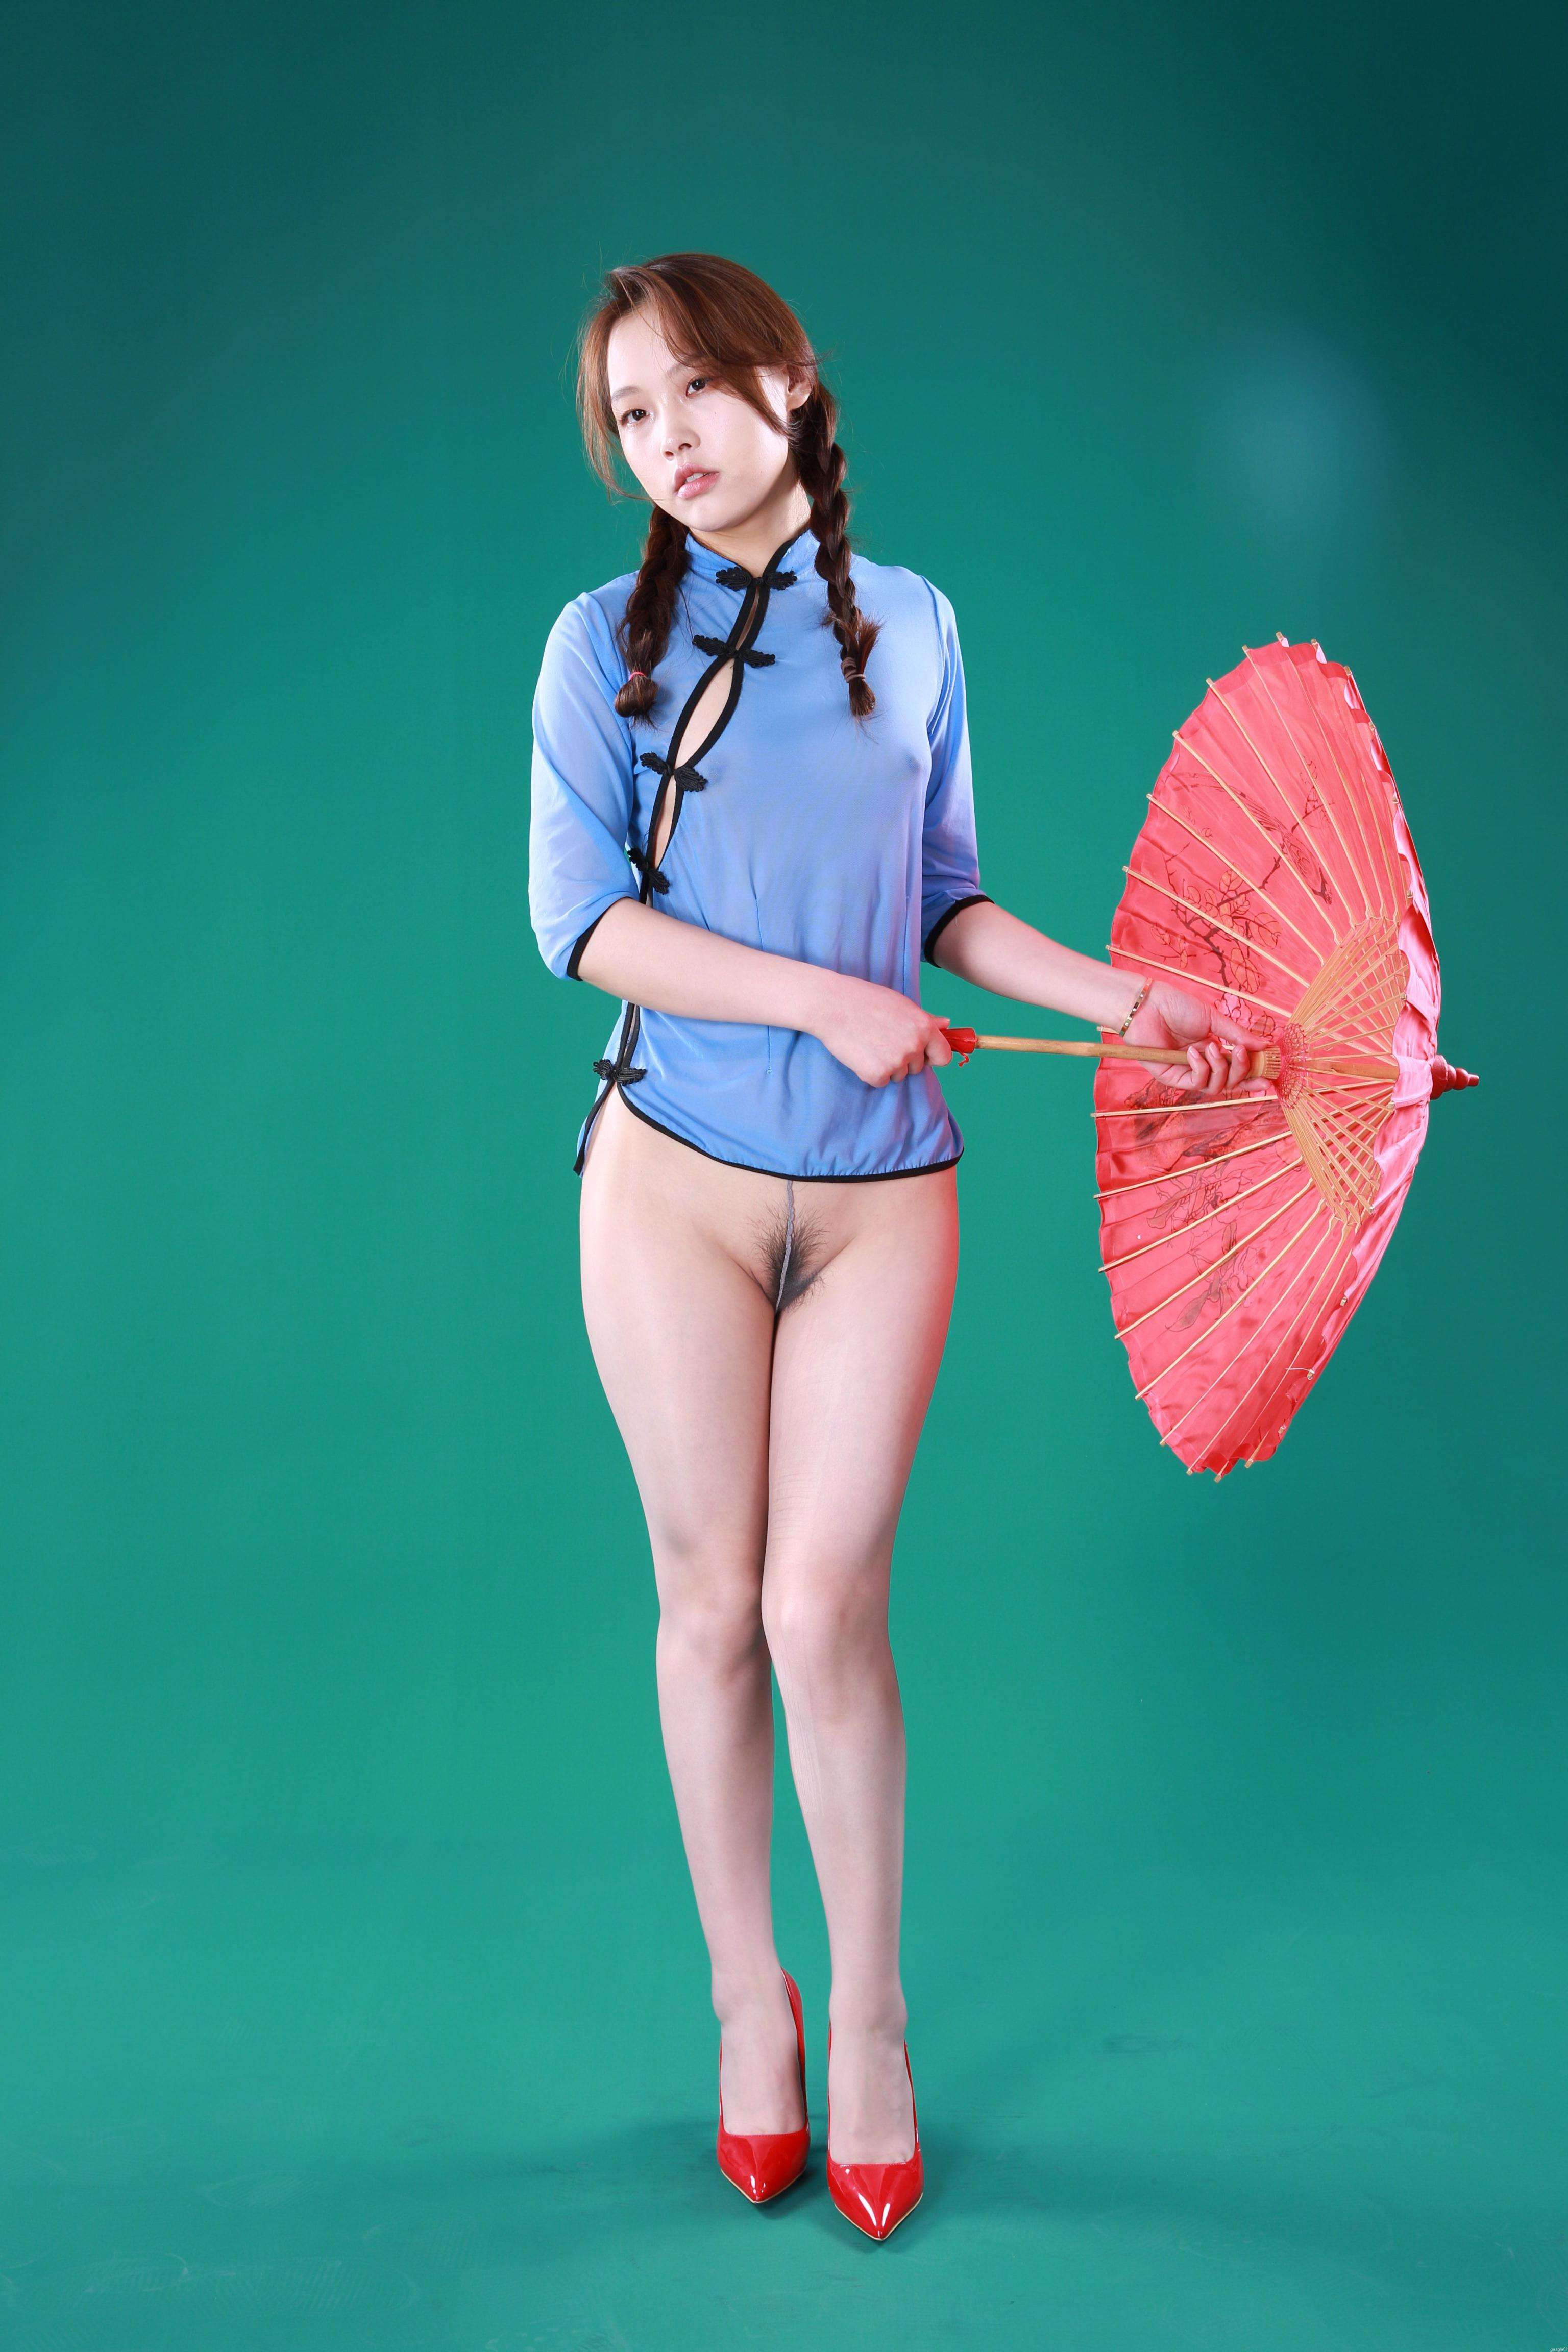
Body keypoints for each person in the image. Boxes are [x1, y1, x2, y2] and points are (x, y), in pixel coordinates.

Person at [528, 252, 1260, 2238]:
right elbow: (579, 923)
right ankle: (742, 2008)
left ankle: (868, 2023)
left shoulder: (916, 624)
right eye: (633, 413)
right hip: (668, 1172)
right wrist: (804, 999)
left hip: (885, 1195)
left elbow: (943, 898)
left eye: (693, 390)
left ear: (793, 380)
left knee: (821, 1610)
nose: (665, 439)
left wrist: (1123, 1001)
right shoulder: (596, 641)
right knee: (707, 1607)